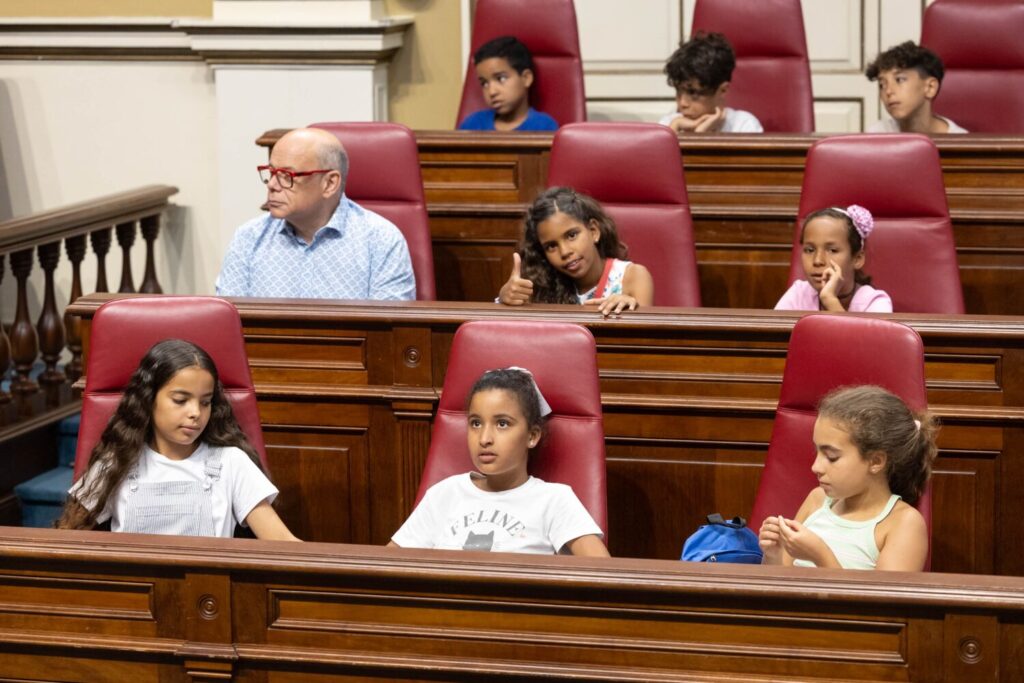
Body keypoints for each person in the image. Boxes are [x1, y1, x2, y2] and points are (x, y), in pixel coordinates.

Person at [58, 339, 300, 541]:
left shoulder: (231, 462)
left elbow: (282, 544)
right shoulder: (116, 462)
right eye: (180, 400)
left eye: (205, 402)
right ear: (149, 399)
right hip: (136, 595)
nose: (195, 412)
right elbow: (67, 541)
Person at [389, 367, 608, 556]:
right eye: (475, 423)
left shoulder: (555, 499)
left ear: (532, 436)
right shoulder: (444, 493)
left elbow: (602, 573)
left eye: (502, 424)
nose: (484, 439)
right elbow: (387, 566)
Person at [216, 127, 416, 300]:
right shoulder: (248, 239)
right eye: (271, 173)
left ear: (330, 183)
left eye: (287, 176)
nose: (273, 185)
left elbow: (390, 335)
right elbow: (228, 327)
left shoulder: (381, 241)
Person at [759, 386, 937, 571]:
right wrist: (774, 554)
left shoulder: (903, 522)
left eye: (832, 457)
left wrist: (820, 555)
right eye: (817, 451)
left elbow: (884, 599)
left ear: (875, 461)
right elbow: (781, 581)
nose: (815, 467)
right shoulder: (817, 500)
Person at [498, 187, 654, 316]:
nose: (565, 252)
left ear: (593, 231)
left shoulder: (634, 276)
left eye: (571, 235)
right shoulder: (539, 283)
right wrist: (505, 298)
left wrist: (629, 306)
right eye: (551, 246)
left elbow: (646, 342)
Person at [775, 205, 892, 313]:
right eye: (809, 250)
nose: (817, 261)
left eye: (832, 250)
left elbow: (857, 337)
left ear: (857, 259)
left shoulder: (875, 302)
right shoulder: (798, 293)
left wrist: (830, 300)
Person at [660, 32, 763, 134]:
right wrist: (674, 129)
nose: (682, 103)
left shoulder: (744, 126)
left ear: (723, 90)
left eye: (693, 93)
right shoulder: (669, 124)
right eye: (678, 91)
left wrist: (700, 137)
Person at [458, 36, 559, 132]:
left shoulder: (544, 127)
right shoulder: (472, 125)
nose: (492, 92)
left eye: (501, 78)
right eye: (484, 83)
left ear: (526, 78)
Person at [865, 41, 968, 134]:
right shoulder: (877, 134)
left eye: (900, 79)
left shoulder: (961, 143)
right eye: (882, 85)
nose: (888, 91)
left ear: (930, 87)